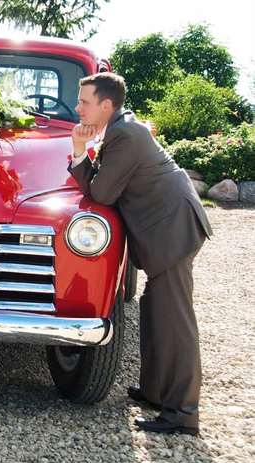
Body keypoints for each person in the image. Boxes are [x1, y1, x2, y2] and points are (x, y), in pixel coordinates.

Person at [68, 72, 212, 435]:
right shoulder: (121, 130)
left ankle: (182, 413)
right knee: (154, 311)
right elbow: (104, 181)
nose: (78, 108)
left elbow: (102, 192)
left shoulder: (125, 134)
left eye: (84, 101)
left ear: (106, 105)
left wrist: (78, 152)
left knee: (175, 322)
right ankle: (154, 392)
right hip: (166, 228)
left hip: (173, 229)